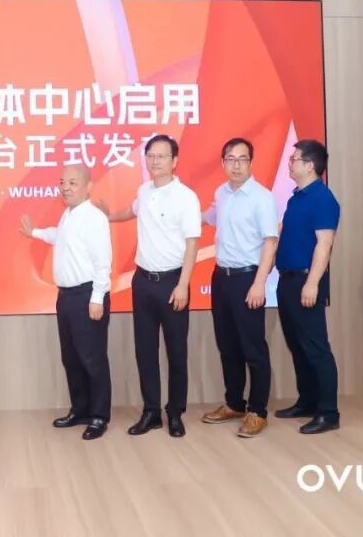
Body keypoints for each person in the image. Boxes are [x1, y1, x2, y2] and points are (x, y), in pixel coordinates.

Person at [103, 134, 200, 438]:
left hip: (173, 282)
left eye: (162, 156)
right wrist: (109, 216)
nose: (155, 161)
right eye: (151, 156)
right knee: (145, 350)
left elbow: (193, 244)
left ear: (174, 161)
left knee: (176, 352)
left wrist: (183, 285)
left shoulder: (186, 197)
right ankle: (151, 412)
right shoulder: (144, 191)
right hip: (143, 281)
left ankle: (175, 413)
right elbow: (132, 211)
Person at [22, 165, 113, 440]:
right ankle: (80, 409)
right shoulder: (69, 215)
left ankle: (99, 416)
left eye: (72, 182)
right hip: (66, 297)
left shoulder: (94, 218)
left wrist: (97, 298)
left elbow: (103, 262)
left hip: (88, 296)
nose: (65, 187)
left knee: (92, 357)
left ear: (88, 186)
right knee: (71, 357)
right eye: (62, 182)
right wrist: (35, 233)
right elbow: (59, 237)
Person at [200, 138, 278, 438]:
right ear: (223, 163)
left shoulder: (262, 197)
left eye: (242, 159)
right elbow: (209, 217)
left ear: (250, 162)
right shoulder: (222, 193)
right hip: (221, 278)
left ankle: (257, 411)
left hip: (248, 279)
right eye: (230, 159)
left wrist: (259, 283)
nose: (236, 165)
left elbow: (270, 242)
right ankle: (234, 403)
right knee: (227, 345)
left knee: (252, 347)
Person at [274, 139, 341, 435]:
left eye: (294, 159)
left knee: (316, 348)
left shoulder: (322, 199)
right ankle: (307, 402)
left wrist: (312, 283)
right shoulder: (296, 197)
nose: (290, 163)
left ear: (310, 165)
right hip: (287, 280)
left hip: (306, 280)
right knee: (297, 345)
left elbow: (324, 245)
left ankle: (328, 412)